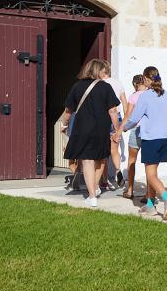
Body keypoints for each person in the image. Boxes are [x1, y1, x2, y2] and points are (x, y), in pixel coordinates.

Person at [61, 58, 120, 209]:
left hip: (84, 127)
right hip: (102, 127)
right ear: (98, 71)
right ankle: (94, 187)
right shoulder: (106, 87)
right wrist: (117, 129)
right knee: (101, 158)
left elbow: (69, 110)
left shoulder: (77, 86)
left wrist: (64, 123)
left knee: (87, 160)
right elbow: (113, 111)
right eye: (103, 70)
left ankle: (92, 195)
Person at [123, 66, 167, 220]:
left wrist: (125, 128)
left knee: (151, 175)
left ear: (146, 79)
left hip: (151, 139)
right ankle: (150, 205)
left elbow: (134, 118)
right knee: (153, 173)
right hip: (164, 140)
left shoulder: (145, 96)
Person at [119, 74, 147, 200]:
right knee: (149, 164)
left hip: (136, 130)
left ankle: (130, 190)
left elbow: (128, 115)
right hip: (148, 131)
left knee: (132, 160)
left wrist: (120, 130)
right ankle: (148, 194)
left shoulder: (134, 96)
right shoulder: (150, 95)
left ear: (135, 84)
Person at [100, 63, 127, 191]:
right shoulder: (118, 82)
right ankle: (118, 170)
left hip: (104, 118)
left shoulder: (100, 84)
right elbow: (125, 104)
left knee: (103, 152)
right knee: (114, 150)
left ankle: (104, 181)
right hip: (118, 117)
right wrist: (125, 123)